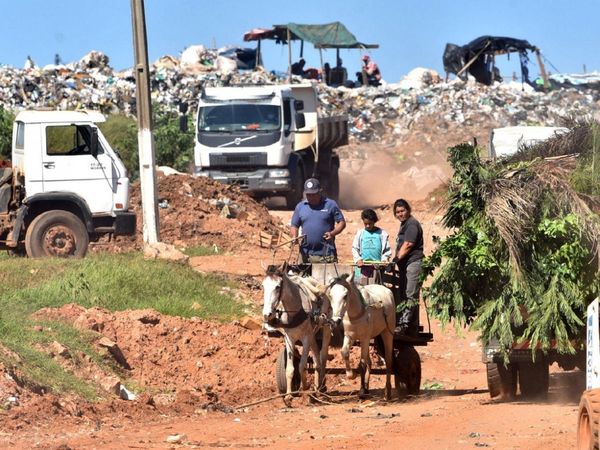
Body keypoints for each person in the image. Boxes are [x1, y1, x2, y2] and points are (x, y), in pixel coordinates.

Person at [290, 178, 346, 263]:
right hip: (305, 255)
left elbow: (341, 223)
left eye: (314, 194)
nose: (311, 197)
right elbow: (294, 225)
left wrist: (332, 233)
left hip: (326, 255)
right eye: (308, 195)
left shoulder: (330, 204)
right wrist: (294, 236)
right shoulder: (300, 207)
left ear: (320, 191)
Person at [393, 199, 424, 335]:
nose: (400, 214)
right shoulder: (405, 224)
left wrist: (396, 259)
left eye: (402, 211)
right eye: (397, 212)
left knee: (410, 294)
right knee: (404, 293)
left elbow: (408, 244)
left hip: (413, 263)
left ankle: (405, 325)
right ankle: (409, 324)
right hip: (406, 265)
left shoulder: (411, 224)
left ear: (408, 210)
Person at [352, 209, 392, 284]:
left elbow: (387, 250)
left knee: (376, 286)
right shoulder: (360, 233)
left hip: (377, 267)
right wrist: (358, 259)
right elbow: (355, 248)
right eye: (365, 224)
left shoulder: (382, 233)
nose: (368, 226)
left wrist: (384, 260)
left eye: (370, 223)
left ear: (374, 221)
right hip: (361, 266)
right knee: (360, 286)